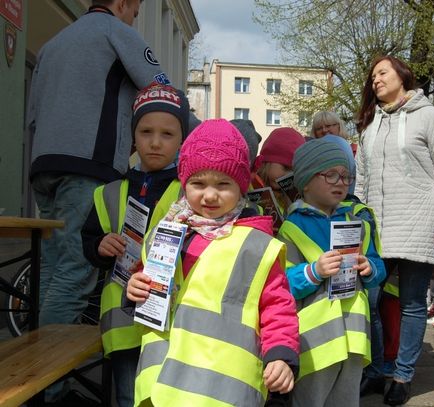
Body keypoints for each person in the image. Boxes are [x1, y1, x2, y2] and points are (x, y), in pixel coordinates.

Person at [127, 119, 299, 406]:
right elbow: (145, 279)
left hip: (221, 389)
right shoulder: (167, 232)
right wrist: (134, 288)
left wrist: (280, 355)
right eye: (197, 183)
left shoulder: (256, 246)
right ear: (184, 183)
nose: (209, 195)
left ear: (241, 187)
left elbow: (277, 306)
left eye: (223, 184)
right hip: (162, 384)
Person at [27, 0, 169, 331]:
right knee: (75, 274)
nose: (135, 18)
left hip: (44, 165)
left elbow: (33, 115)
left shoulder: (52, 45)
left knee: (51, 270)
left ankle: (36, 368)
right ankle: (51, 380)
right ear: (123, 3)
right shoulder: (117, 33)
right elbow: (163, 95)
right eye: (137, 10)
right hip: (87, 167)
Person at [354, 55, 434, 405]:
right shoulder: (369, 126)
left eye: (382, 73)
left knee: (413, 303)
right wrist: (355, 224)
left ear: (403, 75)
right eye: (372, 77)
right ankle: (378, 370)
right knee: (367, 299)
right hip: (377, 227)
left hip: (418, 222)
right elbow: (361, 182)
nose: (375, 81)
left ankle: (402, 375)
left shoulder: (431, 117)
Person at [81, 82, 189, 407]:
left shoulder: (191, 191)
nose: (155, 142)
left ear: (182, 138)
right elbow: (88, 242)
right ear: (133, 135)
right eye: (146, 131)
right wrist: (100, 246)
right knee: (129, 398)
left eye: (168, 134)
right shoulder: (109, 193)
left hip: (172, 320)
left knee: (168, 397)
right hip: (123, 322)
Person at [278, 138, 386, 407]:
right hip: (315, 337)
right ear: (305, 181)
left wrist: (370, 268)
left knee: (347, 398)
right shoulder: (292, 228)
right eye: (331, 174)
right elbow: (282, 284)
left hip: (354, 331)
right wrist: (314, 272)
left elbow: (378, 265)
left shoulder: (357, 222)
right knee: (310, 398)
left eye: (346, 176)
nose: (341, 182)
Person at [254, 127, 306, 212]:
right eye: (285, 168)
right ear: (267, 163)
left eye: (293, 172)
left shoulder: (297, 196)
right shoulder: (250, 186)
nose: (287, 176)